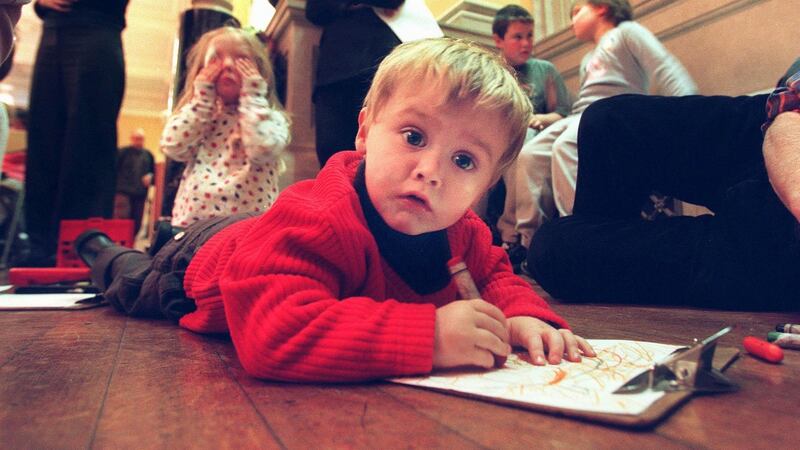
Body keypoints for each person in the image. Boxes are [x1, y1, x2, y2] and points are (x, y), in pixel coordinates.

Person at [74, 38, 594, 382]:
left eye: (464, 160)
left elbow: (495, 277)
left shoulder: (466, 232)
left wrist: (525, 314)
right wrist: (429, 337)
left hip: (255, 234)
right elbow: (272, 332)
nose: (431, 170)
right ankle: (100, 249)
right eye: (413, 136)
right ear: (365, 131)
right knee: (128, 281)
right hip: (199, 261)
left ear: (488, 182)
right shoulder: (319, 215)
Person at [528, 66, 800, 311]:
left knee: (555, 250)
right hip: (777, 124)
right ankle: (614, 275)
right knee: (606, 120)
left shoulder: (623, 36)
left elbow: (663, 65)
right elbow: (787, 106)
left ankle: (612, 273)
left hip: (779, 240)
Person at [511, 0, 696, 251]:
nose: (571, 21)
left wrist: (691, 111)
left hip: (613, 114)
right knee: (530, 154)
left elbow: (665, 67)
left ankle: (580, 238)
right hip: (579, 116)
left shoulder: (627, 32)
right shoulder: (588, 56)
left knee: (567, 146)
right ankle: (528, 241)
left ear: (601, 7)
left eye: (577, 12)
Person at [20, 0, 129, 266]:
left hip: (97, 25)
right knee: (43, 139)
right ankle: (39, 247)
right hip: (53, 29)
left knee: (87, 143)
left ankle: (81, 248)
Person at [160, 26, 291, 228]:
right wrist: (202, 100)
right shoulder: (200, 116)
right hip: (192, 228)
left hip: (245, 229)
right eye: (216, 59)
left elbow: (263, 149)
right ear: (200, 72)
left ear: (260, 74)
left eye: (241, 59)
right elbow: (173, 146)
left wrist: (253, 96)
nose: (228, 64)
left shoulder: (270, 119)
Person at [305, 0, 441, 168]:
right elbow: (315, 10)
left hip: (379, 60)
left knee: (382, 155)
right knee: (330, 155)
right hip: (334, 69)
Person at [489, 5, 572, 264]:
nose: (526, 43)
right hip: (499, 138)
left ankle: (515, 237)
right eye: (518, 36)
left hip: (535, 135)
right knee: (518, 138)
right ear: (499, 40)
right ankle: (510, 235)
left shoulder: (545, 70)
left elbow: (561, 113)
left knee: (526, 140)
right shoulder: (491, 73)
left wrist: (538, 119)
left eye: (530, 36)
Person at [113, 128, 154, 236]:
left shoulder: (148, 155)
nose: (138, 141)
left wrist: (151, 176)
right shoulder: (122, 152)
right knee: (122, 219)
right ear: (132, 139)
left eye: (141, 138)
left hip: (140, 193)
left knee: (137, 221)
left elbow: (153, 172)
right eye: (136, 138)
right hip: (123, 192)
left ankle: (131, 243)